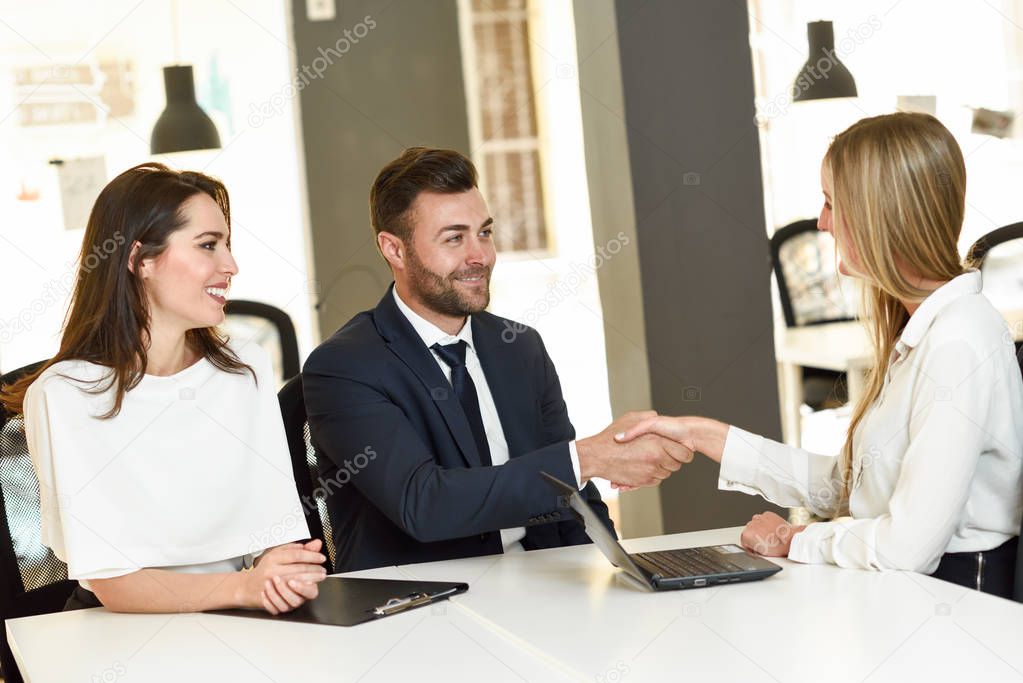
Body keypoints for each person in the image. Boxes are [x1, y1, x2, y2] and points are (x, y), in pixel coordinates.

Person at [616, 113, 1023, 597]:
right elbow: (847, 488)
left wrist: (797, 538)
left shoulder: (958, 342)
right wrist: (707, 435)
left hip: (958, 604)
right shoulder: (926, 329)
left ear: (881, 212)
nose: (822, 222)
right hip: (914, 595)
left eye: (832, 203)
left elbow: (905, 548)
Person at [303, 147, 690, 572]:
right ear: (394, 250)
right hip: (425, 609)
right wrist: (587, 458)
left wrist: (617, 574)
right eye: (454, 238)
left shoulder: (519, 347)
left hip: (542, 589)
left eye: (484, 233)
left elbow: (577, 501)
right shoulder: (345, 366)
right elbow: (424, 503)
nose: (480, 256)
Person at [0, 163, 327, 614]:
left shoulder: (243, 369)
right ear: (140, 260)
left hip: (242, 617)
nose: (230, 265)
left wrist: (281, 569)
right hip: (120, 629)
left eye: (226, 245)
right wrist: (245, 588)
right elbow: (116, 585)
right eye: (208, 245)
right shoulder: (65, 397)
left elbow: (272, 534)